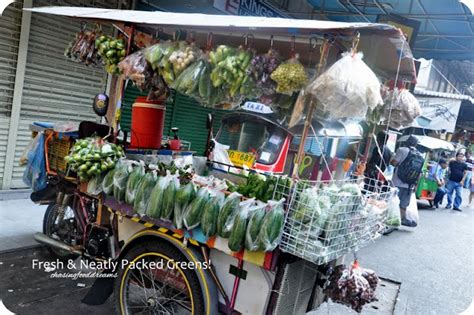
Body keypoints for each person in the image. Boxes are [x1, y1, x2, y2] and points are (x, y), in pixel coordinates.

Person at [390, 135, 423, 227]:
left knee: (393, 201)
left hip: (397, 181)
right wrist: (415, 184)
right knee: (403, 205)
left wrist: (391, 159)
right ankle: (399, 221)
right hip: (409, 185)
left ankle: (389, 219)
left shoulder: (402, 150)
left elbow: (394, 163)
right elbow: (420, 172)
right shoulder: (419, 155)